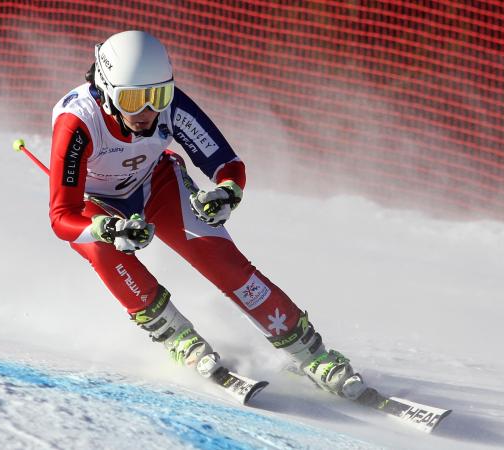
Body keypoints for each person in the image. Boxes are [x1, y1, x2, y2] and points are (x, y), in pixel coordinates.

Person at [49, 30, 366, 400]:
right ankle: (177, 336)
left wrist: (227, 192)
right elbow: (62, 218)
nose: (147, 111)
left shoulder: (171, 107)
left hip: (155, 183)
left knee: (221, 259)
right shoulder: (78, 123)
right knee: (105, 252)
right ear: (106, 91)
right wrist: (106, 228)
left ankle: (311, 354)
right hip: (94, 201)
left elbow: (226, 163)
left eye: (158, 95)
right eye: (133, 99)